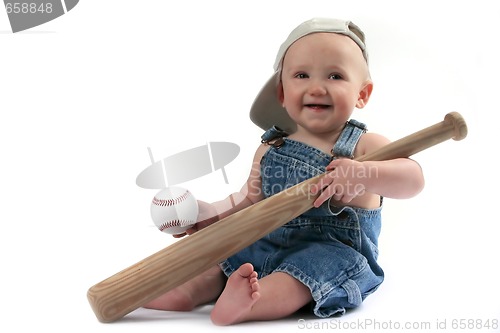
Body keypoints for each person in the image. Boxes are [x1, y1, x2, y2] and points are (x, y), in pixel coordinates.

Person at [144, 17, 425, 325]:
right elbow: (248, 202)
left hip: (331, 250)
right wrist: (209, 213)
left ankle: (251, 303)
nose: (317, 87)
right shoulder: (271, 146)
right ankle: (190, 290)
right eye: (302, 75)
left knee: (301, 277)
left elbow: (413, 179)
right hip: (269, 239)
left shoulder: (363, 146)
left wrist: (363, 174)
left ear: (362, 94)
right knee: (223, 254)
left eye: (335, 76)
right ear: (282, 93)